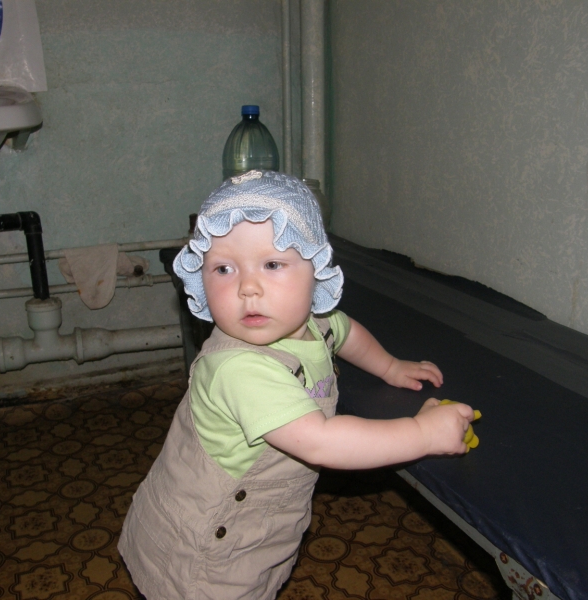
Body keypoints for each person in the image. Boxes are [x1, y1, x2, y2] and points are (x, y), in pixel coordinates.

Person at [118, 170, 477, 600]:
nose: (248, 288)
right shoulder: (238, 369)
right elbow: (321, 442)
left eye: (272, 264)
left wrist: (390, 367)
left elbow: (346, 332)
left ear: (315, 269)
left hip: (256, 528)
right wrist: (422, 433)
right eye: (224, 268)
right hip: (204, 551)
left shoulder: (314, 321)